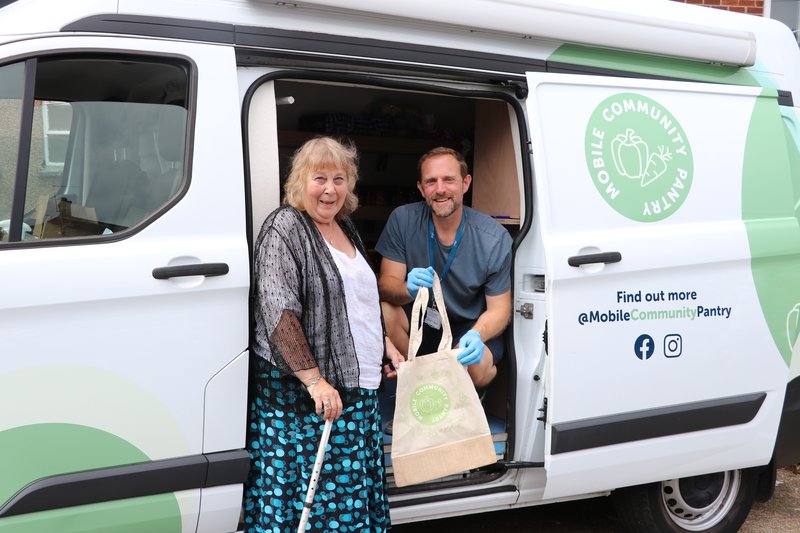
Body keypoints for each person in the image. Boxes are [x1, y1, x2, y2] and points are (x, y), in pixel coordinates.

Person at [243, 136, 401, 532]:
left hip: (357, 390)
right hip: (309, 399)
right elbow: (278, 312)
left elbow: (357, 301)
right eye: (319, 178)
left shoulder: (345, 226)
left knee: (351, 500)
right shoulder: (285, 227)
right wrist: (315, 381)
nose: (330, 189)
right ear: (300, 181)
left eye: (339, 178)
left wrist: (385, 344)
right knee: (317, 506)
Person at [376, 147, 512, 388]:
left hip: (468, 326)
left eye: (449, 180)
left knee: (475, 365)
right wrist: (407, 288)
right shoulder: (403, 220)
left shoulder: (493, 237)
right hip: (422, 321)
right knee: (387, 310)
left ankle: (468, 394)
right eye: (431, 181)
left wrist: (477, 335)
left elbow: (500, 310)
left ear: (465, 183)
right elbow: (386, 286)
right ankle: (422, 384)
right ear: (421, 188)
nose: (440, 189)